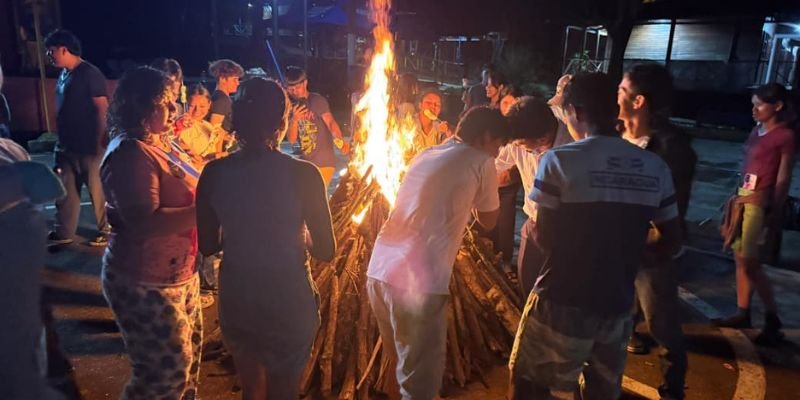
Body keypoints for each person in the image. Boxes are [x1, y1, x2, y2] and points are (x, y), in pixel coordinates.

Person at [509, 72, 683, 399]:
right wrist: (622, 259)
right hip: (616, 304)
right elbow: (672, 242)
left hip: (561, 300)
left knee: (529, 385)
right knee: (602, 391)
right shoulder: (653, 167)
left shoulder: (558, 162)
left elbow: (545, 237)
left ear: (576, 111)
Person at [196, 77, 335, 399]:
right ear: (282, 121)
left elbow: (208, 245)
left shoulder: (214, 173)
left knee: (251, 388)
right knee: (283, 390)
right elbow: (326, 249)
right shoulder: (305, 175)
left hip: (239, 293)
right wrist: (297, 236)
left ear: (238, 120)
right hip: (288, 295)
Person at [367, 106, 513, 400]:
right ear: (485, 137)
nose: (498, 153)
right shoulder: (481, 161)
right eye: (498, 145)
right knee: (419, 385)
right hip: (418, 285)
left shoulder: (426, 153)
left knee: (401, 368)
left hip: (380, 271)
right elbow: (489, 220)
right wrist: (491, 184)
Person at [100, 66, 202, 399]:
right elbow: (144, 222)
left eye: (174, 101)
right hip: (144, 282)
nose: (175, 110)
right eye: (166, 103)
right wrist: (210, 210)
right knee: (162, 377)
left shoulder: (163, 142)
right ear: (141, 106)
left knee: (186, 369)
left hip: (181, 276)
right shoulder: (129, 154)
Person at [618, 63, 696, 399]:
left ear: (639, 101)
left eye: (622, 90)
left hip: (653, 250)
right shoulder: (612, 134)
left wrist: (654, 241)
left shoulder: (671, 147)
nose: (616, 95)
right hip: (619, 246)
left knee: (662, 324)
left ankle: (672, 388)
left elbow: (671, 211)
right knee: (619, 315)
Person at [714, 83, 797, 345]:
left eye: (759, 105)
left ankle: (772, 319)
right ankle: (743, 312)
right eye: (753, 104)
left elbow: (783, 177)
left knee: (750, 262)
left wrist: (774, 208)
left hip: (759, 204)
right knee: (741, 260)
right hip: (742, 199)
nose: (754, 109)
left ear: (778, 106)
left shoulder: (785, 136)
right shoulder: (756, 130)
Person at [44, 29, 110, 247]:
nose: (49, 55)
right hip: (67, 145)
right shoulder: (64, 74)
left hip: (89, 145)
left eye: (51, 51)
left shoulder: (90, 73)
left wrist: (102, 140)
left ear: (64, 49)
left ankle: (106, 230)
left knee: (97, 190)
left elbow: (101, 108)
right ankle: (64, 230)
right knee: (65, 191)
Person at [496, 96, 567, 295]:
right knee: (527, 282)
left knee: (557, 289)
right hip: (534, 221)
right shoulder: (517, 141)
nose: (517, 149)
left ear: (543, 139)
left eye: (523, 146)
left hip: (566, 230)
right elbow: (493, 165)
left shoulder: (571, 145)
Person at [285, 66, 349, 187]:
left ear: (305, 83)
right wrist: (294, 120)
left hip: (323, 162)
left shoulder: (317, 101)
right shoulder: (292, 108)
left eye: (297, 87)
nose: (295, 92)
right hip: (305, 162)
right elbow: (292, 140)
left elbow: (330, 122)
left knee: (316, 197)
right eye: (291, 89)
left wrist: (339, 139)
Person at [486, 85, 524, 270]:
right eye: (505, 102)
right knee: (487, 222)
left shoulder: (519, 131)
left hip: (507, 185)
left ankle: (506, 261)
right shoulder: (492, 124)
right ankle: (488, 257)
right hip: (489, 182)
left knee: (506, 225)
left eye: (512, 102)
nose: (507, 106)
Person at [175, 84, 228, 165]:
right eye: (192, 106)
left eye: (202, 106)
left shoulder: (208, 126)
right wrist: (208, 158)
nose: (197, 110)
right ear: (185, 104)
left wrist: (220, 140)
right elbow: (189, 162)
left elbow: (217, 160)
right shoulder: (181, 126)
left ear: (209, 105)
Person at [207, 59, 244, 137]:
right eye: (235, 79)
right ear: (222, 78)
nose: (237, 83)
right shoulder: (222, 100)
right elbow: (213, 132)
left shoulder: (219, 97)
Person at [410, 89, 452, 155]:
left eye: (437, 105)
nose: (433, 106)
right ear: (420, 105)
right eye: (428, 103)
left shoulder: (440, 129)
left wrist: (448, 135)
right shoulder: (406, 124)